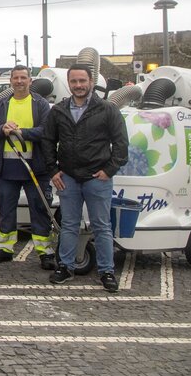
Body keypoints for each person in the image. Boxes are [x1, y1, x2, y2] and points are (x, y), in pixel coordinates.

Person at [43, 64, 129, 292]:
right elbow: (47, 142)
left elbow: (121, 144)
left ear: (90, 82)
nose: (78, 86)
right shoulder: (59, 111)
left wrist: (109, 170)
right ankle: (65, 267)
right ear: (68, 83)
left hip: (97, 178)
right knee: (69, 225)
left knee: (102, 226)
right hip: (68, 177)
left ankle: (106, 271)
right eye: (74, 82)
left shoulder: (107, 110)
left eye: (82, 81)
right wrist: (53, 170)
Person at [0, 65, 56, 269]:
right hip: (8, 169)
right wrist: (2, 129)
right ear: (11, 81)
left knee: (39, 209)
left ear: (30, 81)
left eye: (23, 77)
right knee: (6, 210)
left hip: (35, 168)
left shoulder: (40, 104)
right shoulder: (2, 104)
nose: (19, 81)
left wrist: (22, 133)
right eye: (15, 78)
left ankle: (44, 251)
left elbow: (45, 130)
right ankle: (5, 249)